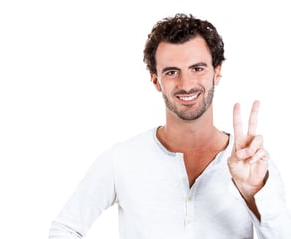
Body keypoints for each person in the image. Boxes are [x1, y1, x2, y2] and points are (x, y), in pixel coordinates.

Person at [48, 13, 291, 238]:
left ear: (217, 73)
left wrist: (252, 191)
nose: (186, 84)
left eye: (197, 68)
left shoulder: (253, 165)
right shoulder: (122, 159)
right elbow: (65, 228)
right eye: (172, 72)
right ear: (156, 80)